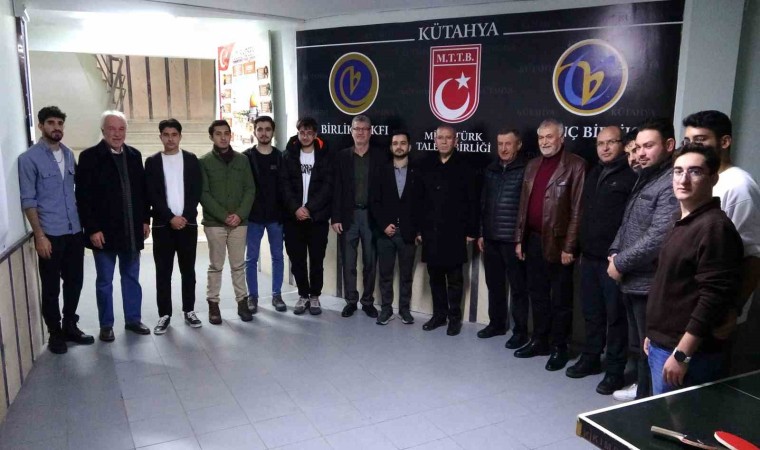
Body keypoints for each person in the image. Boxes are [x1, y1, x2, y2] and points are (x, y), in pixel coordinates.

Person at [645, 144, 743, 394]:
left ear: (713, 178)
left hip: (687, 353)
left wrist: (682, 354)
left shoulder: (714, 227)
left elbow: (713, 296)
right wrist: (654, 335)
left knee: (679, 418)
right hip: (664, 343)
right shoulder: (682, 221)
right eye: (678, 171)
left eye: (695, 171)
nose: (683, 179)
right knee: (664, 413)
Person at [607, 118, 679, 399]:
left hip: (649, 284)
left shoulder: (670, 181)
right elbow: (627, 223)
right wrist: (614, 252)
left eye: (648, 146)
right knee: (639, 346)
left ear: (669, 145)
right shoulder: (645, 176)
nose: (641, 153)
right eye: (637, 147)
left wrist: (620, 262)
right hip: (631, 279)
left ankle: (646, 404)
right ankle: (641, 395)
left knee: (651, 350)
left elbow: (658, 237)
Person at [566, 126, 636, 395]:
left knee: (615, 318)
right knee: (592, 313)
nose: (605, 148)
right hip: (589, 257)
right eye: (600, 143)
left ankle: (615, 371)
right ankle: (591, 358)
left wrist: (621, 257)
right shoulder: (594, 172)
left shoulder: (631, 175)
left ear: (622, 145)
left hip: (614, 261)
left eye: (611, 142)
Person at [18, 106, 94, 354]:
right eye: (51, 123)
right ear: (41, 126)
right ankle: (55, 333)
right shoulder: (29, 159)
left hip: (74, 231)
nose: (56, 127)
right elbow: (28, 200)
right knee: (51, 288)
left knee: (75, 282)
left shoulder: (69, 154)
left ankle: (70, 324)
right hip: (50, 233)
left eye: (60, 123)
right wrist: (39, 235)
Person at [513, 119, 586, 371]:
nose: (544, 142)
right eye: (541, 137)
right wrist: (519, 239)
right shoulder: (532, 165)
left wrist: (570, 246)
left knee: (561, 300)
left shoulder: (576, 165)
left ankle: (559, 347)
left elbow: (578, 210)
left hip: (559, 243)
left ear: (561, 138)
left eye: (549, 137)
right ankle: (540, 340)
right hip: (533, 240)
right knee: (538, 295)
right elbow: (523, 206)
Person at [76, 110, 151, 341]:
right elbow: (83, 197)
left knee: (131, 278)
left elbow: (142, 192)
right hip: (103, 233)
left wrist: (145, 220)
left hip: (131, 230)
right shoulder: (89, 157)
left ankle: (133, 319)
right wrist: (92, 229)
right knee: (104, 282)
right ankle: (106, 325)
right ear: (103, 131)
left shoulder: (134, 155)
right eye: (112, 129)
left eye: (121, 129)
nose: (117, 134)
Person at [682, 111, 760, 317]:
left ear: (724, 142)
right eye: (687, 141)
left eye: (700, 140)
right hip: (688, 302)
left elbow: (752, 257)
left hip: (716, 308)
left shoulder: (739, 186)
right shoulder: (697, 179)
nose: (691, 147)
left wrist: (733, 310)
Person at [416, 124, 478, 336]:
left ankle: (454, 318)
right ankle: (439, 316)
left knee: (455, 280)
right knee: (435, 277)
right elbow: (419, 201)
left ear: (456, 141)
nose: (443, 141)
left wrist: (471, 230)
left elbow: (473, 201)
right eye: (440, 138)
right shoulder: (426, 165)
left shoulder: (466, 166)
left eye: (448, 138)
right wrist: (419, 230)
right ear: (435, 141)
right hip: (431, 231)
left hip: (455, 232)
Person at [145, 119, 203, 334]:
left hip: (187, 224)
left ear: (180, 136)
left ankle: (189, 310)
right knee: (163, 272)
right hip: (163, 225)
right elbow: (152, 193)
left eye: (174, 134)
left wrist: (184, 216)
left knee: (188, 270)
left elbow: (196, 190)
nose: (170, 139)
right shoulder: (152, 162)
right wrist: (170, 217)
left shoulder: (191, 159)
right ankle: (164, 314)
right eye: (166, 135)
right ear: (160, 136)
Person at [476, 129, 529, 349]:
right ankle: (496, 324)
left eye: (508, 144)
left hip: (512, 240)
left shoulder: (526, 169)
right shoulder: (491, 169)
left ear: (518, 145)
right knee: (494, 285)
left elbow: (526, 208)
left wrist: (521, 239)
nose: (504, 148)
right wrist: (481, 232)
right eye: (500, 144)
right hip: (491, 238)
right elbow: (483, 203)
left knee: (518, 289)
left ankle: (520, 332)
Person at [199, 120, 256, 324]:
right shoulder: (204, 162)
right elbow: (203, 193)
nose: (223, 137)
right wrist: (224, 216)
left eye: (226, 133)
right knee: (216, 265)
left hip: (239, 223)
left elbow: (250, 189)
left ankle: (242, 302)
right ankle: (213, 304)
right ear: (211, 137)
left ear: (230, 135)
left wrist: (239, 215)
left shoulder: (242, 160)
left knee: (238, 265)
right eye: (218, 134)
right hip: (215, 224)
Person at [332, 115, 385, 319]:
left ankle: (368, 301)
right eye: (357, 129)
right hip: (348, 217)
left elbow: (385, 190)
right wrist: (335, 217)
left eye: (364, 129)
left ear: (370, 132)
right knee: (348, 262)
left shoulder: (380, 156)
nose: (360, 132)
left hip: (372, 216)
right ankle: (351, 301)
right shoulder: (341, 157)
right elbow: (336, 189)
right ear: (351, 131)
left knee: (370, 262)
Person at [281, 117, 332, 315]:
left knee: (317, 260)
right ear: (298, 133)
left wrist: (309, 208)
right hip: (293, 218)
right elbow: (284, 185)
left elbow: (327, 186)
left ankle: (315, 296)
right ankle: (303, 294)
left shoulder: (325, 155)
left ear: (315, 134)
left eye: (309, 133)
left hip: (316, 218)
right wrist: (296, 208)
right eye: (302, 132)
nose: (305, 136)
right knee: (297, 259)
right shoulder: (288, 155)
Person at [370, 130, 418, 325]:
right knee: (385, 275)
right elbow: (374, 202)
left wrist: (418, 231)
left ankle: (404, 310)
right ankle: (386, 309)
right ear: (391, 147)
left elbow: (422, 203)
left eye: (403, 143)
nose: (399, 146)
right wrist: (383, 225)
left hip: (408, 233)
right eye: (395, 143)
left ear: (409, 147)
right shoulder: (381, 170)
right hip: (385, 234)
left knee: (406, 276)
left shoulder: (417, 171)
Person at [242, 116, 287, 313]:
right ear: (254, 132)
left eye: (267, 129)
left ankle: (277, 295)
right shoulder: (246, 157)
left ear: (273, 132)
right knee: (251, 259)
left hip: (276, 218)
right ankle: (252, 297)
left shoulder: (280, 157)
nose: (263, 133)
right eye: (259, 129)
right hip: (253, 217)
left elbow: (285, 188)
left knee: (278, 257)